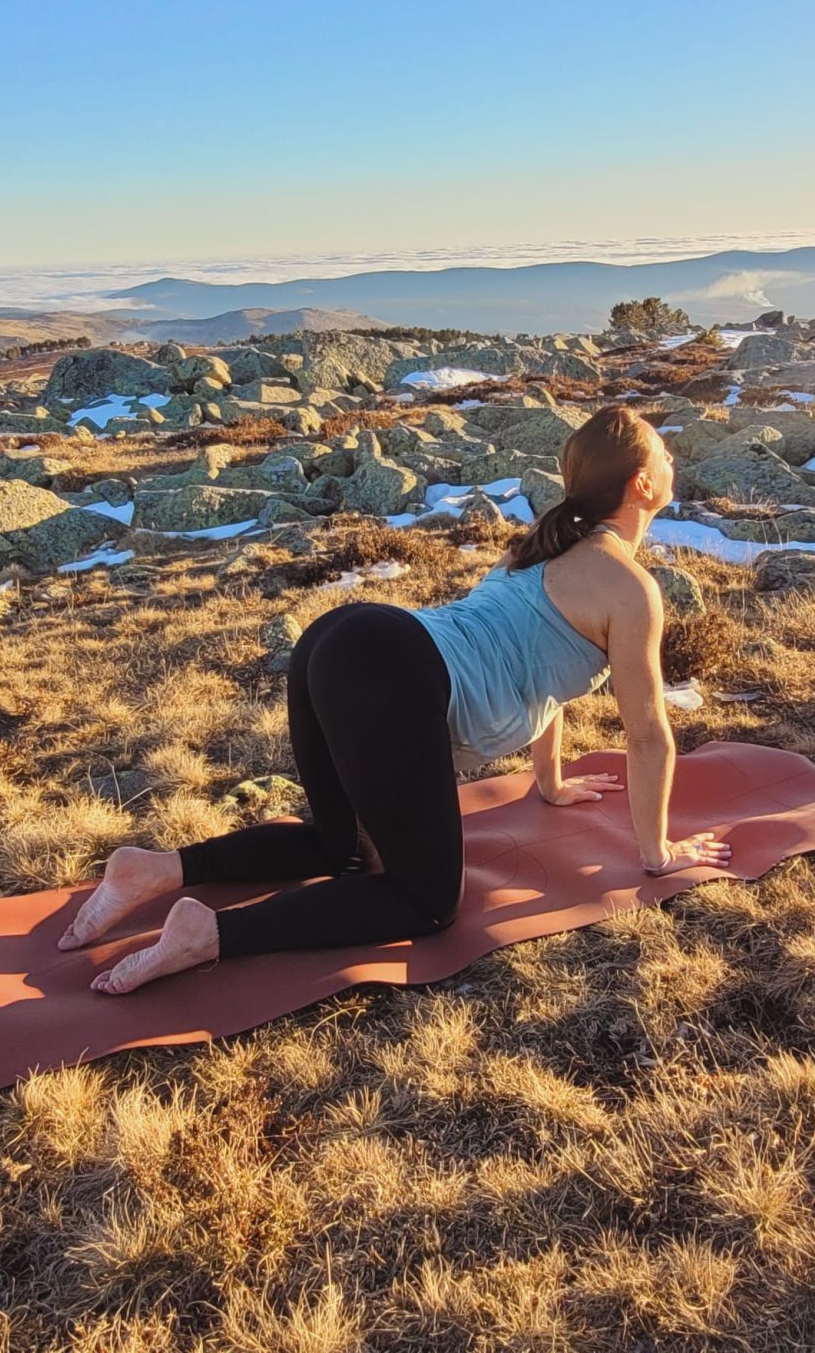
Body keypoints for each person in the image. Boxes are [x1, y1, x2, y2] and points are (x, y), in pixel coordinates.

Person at [60, 404, 730, 994]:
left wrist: (549, 782)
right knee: (427, 902)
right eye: (664, 454)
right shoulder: (628, 587)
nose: (673, 460)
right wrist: (657, 853)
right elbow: (646, 733)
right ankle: (207, 933)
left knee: (342, 847)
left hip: (345, 638)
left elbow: (541, 672)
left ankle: (155, 870)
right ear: (643, 484)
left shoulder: (537, 550)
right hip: (389, 668)